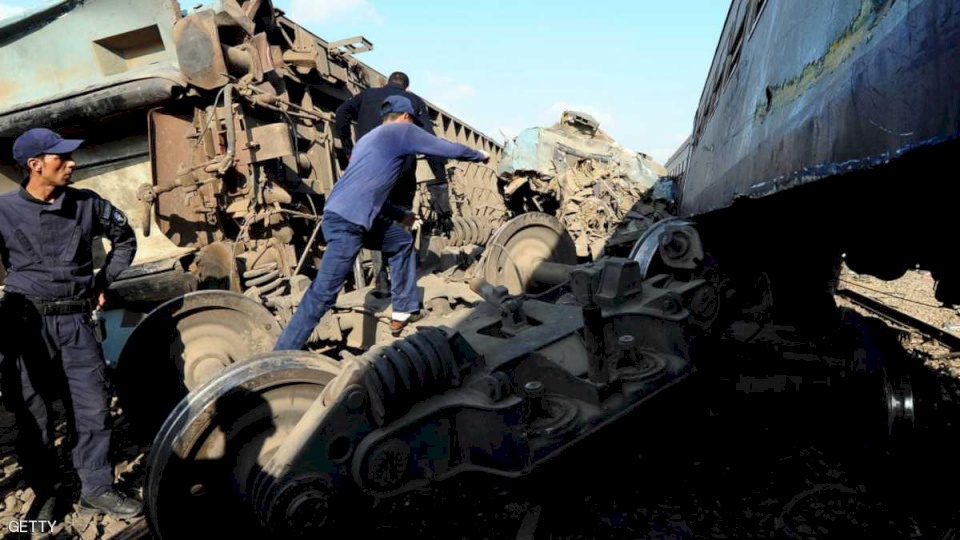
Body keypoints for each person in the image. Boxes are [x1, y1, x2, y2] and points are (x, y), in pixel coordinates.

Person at [0, 128, 142, 520]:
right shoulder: (3, 211)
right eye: (61, 158)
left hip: (78, 323)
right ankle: (46, 493)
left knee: (93, 408)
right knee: (34, 414)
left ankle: (97, 488)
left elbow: (125, 239)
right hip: (28, 327)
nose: (72, 163)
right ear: (35, 165)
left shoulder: (88, 204)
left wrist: (102, 281)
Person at [274, 95, 488, 350]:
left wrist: (401, 215)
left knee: (400, 241)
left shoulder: (367, 139)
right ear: (406, 117)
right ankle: (281, 354)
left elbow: (366, 191)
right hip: (348, 224)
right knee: (323, 294)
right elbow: (445, 148)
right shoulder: (402, 131)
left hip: (344, 214)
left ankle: (403, 311)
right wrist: (479, 155)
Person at [335, 71, 454, 297]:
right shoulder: (413, 101)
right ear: (406, 88)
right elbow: (429, 139)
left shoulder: (367, 95)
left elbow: (341, 114)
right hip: (401, 171)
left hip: (370, 171)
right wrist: (439, 180)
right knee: (402, 221)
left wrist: (348, 152)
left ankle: (381, 281)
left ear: (385, 83)